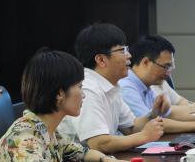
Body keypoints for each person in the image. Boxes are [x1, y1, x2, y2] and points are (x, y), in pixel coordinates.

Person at [0, 49, 132, 162]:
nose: (83, 95)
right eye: (79, 86)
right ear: (59, 94)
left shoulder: (48, 129)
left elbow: (81, 153)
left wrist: (106, 160)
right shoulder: (22, 135)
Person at [59, 23, 166, 153]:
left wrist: (153, 114)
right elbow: (98, 143)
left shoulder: (111, 85)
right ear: (101, 60)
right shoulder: (87, 88)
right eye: (122, 50)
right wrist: (144, 136)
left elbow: (130, 128)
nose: (129, 55)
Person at [119, 36, 195, 133]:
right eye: (165, 66)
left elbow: (169, 115)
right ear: (145, 62)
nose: (168, 73)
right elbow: (150, 125)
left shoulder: (147, 87)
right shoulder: (126, 87)